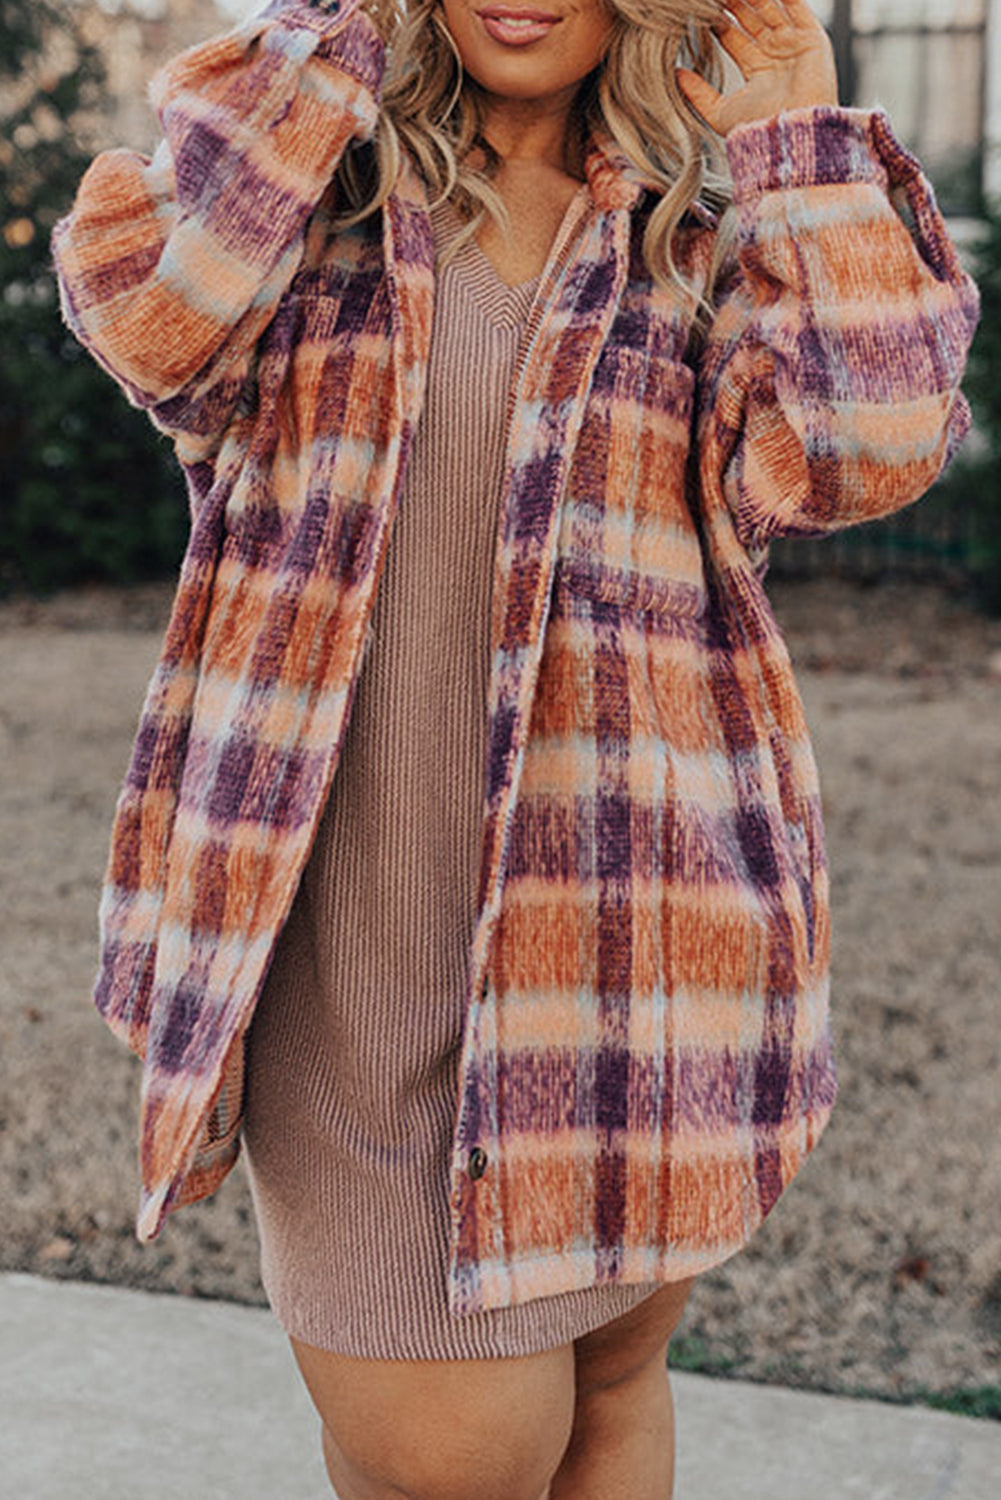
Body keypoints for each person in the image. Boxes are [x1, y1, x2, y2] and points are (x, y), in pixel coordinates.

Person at [52, 1, 978, 1496]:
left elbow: (864, 450)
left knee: (612, 1393)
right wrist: (333, 36)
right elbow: (150, 320)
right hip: (352, 969)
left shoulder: (696, 239)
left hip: (628, 952)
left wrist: (796, 135)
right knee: (453, 1464)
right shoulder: (308, 199)